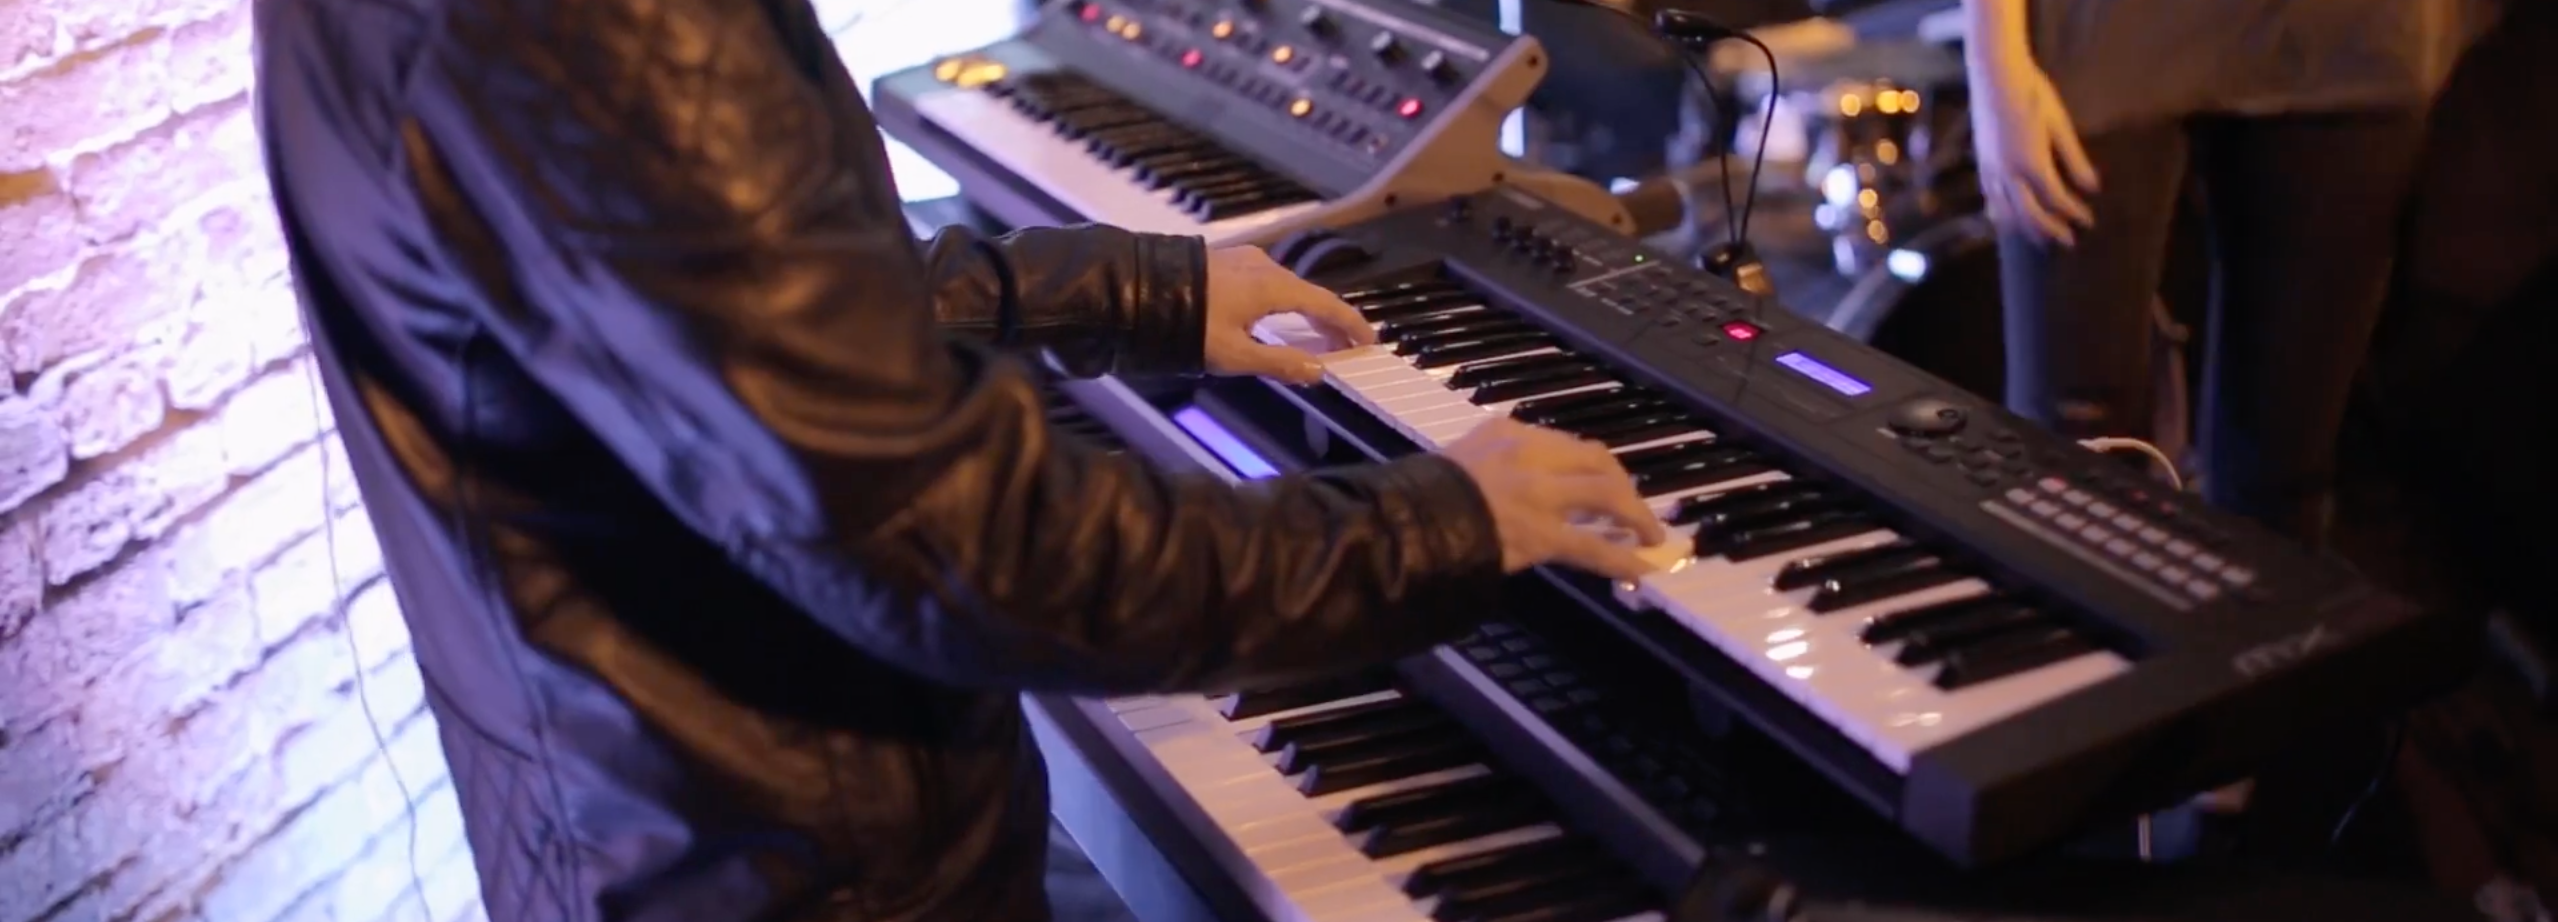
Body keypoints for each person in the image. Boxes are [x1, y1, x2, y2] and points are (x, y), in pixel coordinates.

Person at [248, 0, 1671, 919]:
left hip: (657, 816)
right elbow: (965, 543)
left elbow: (710, 305)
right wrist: (1438, 522)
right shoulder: (606, 26)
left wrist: (1131, 291)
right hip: (794, 864)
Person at [1962, 0, 2490, 544]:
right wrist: (1993, 59)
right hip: (2097, 26)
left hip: (2352, 26)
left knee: (2282, 477)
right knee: (2069, 471)